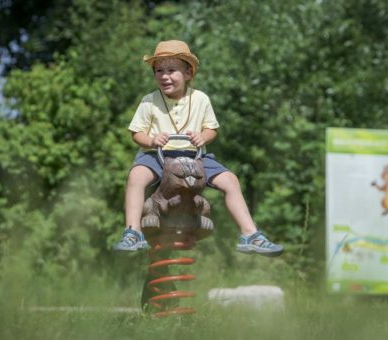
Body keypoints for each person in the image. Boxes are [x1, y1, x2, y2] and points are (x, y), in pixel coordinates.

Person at [113, 40, 283, 257]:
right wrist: (152, 140)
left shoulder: (200, 99)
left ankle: (250, 234)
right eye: (159, 71)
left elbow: (212, 129)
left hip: (195, 155)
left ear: (188, 73)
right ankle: (132, 232)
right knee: (136, 176)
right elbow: (136, 133)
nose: (164, 76)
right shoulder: (149, 101)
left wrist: (202, 137)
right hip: (158, 154)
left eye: (172, 70)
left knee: (230, 180)